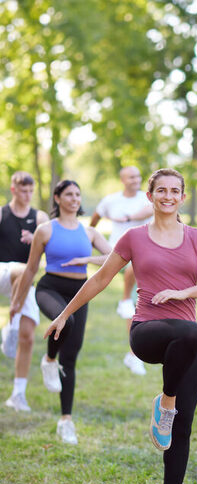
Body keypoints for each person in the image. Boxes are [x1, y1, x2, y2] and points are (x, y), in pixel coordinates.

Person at [43, 168, 197, 484]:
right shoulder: (134, 238)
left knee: (181, 426)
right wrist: (63, 314)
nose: (168, 196)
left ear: (183, 197)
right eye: (161, 191)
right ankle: (166, 400)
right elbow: (99, 279)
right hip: (146, 330)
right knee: (193, 330)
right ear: (150, 196)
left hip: (183, 344)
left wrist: (182, 293)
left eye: (175, 191)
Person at [10, 180, 111, 444]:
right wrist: (17, 302)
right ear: (57, 198)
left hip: (80, 291)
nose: (75, 198)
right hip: (49, 287)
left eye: (78, 194)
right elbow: (31, 269)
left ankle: (66, 420)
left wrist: (88, 259)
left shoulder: (89, 232)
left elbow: (115, 258)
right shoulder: (45, 230)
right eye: (69, 194)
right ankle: (49, 360)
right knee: (66, 321)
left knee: (72, 358)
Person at [90, 165, 153, 375]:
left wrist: (128, 218)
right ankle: (126, 299)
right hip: (116, 254)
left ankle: (133, 354)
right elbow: (96, 217)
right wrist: (88, 238)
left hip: (141, 257)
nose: (136, 179)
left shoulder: (147, 198)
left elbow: (149, 209)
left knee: (137, 307)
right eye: (132, 177)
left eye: (138, 176)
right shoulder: (111, 200)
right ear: (122, 179)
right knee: (134, 298)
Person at [0, 171, 49, 412]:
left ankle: (18, 395)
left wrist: (36, 238)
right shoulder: (2, 214)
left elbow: (50, 243)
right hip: (3, 272)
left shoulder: (39, 216)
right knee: (21, 269)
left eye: (31, 190)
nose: (27, 195)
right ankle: (12, 321)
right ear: (13, 190)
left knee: (28, 337)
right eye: (23, 190)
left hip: (25, 280)